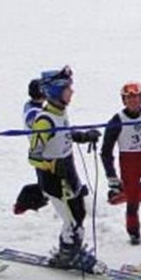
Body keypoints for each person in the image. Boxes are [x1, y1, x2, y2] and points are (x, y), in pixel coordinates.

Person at [26, 66, 102, 269]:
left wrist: (83, 136)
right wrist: (51, 164)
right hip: (54, 179)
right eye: (67, 88)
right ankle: (68, 254)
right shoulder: (44, 121)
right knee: (70, 221)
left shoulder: (60, 112)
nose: (72, 92)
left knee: (79, 212)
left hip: (69, 172)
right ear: (55, 91)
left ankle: (72, 250)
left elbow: (64, 133)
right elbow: (33, 156)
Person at [100, 81, 141, 245]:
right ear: (124, 100)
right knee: (132, 201)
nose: (133, 101)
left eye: (136, 97)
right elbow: (106, 151)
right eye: (129, 98)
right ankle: (134, 233)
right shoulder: (117, 120)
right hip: (129, 163)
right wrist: (111, 176)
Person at [13, 78, 48, 215]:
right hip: (42, 153)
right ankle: (24, 204)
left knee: (48, 183)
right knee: (47, 185)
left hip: (40, 151)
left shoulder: (31, 106)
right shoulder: (34, 112)